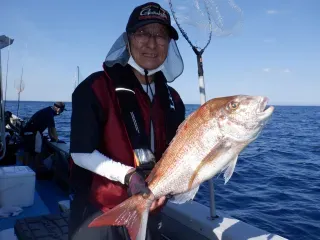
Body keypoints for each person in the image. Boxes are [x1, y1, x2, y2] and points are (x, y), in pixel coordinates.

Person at [69, 2, 185, 240]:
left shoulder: (173, 99)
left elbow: (176, 156)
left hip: (150, 212)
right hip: (100, 212)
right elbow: (80, 153)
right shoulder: (95, 87)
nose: (152, 43)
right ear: (128, 39)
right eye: (143, 33)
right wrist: (130, 176)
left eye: (161, 35)